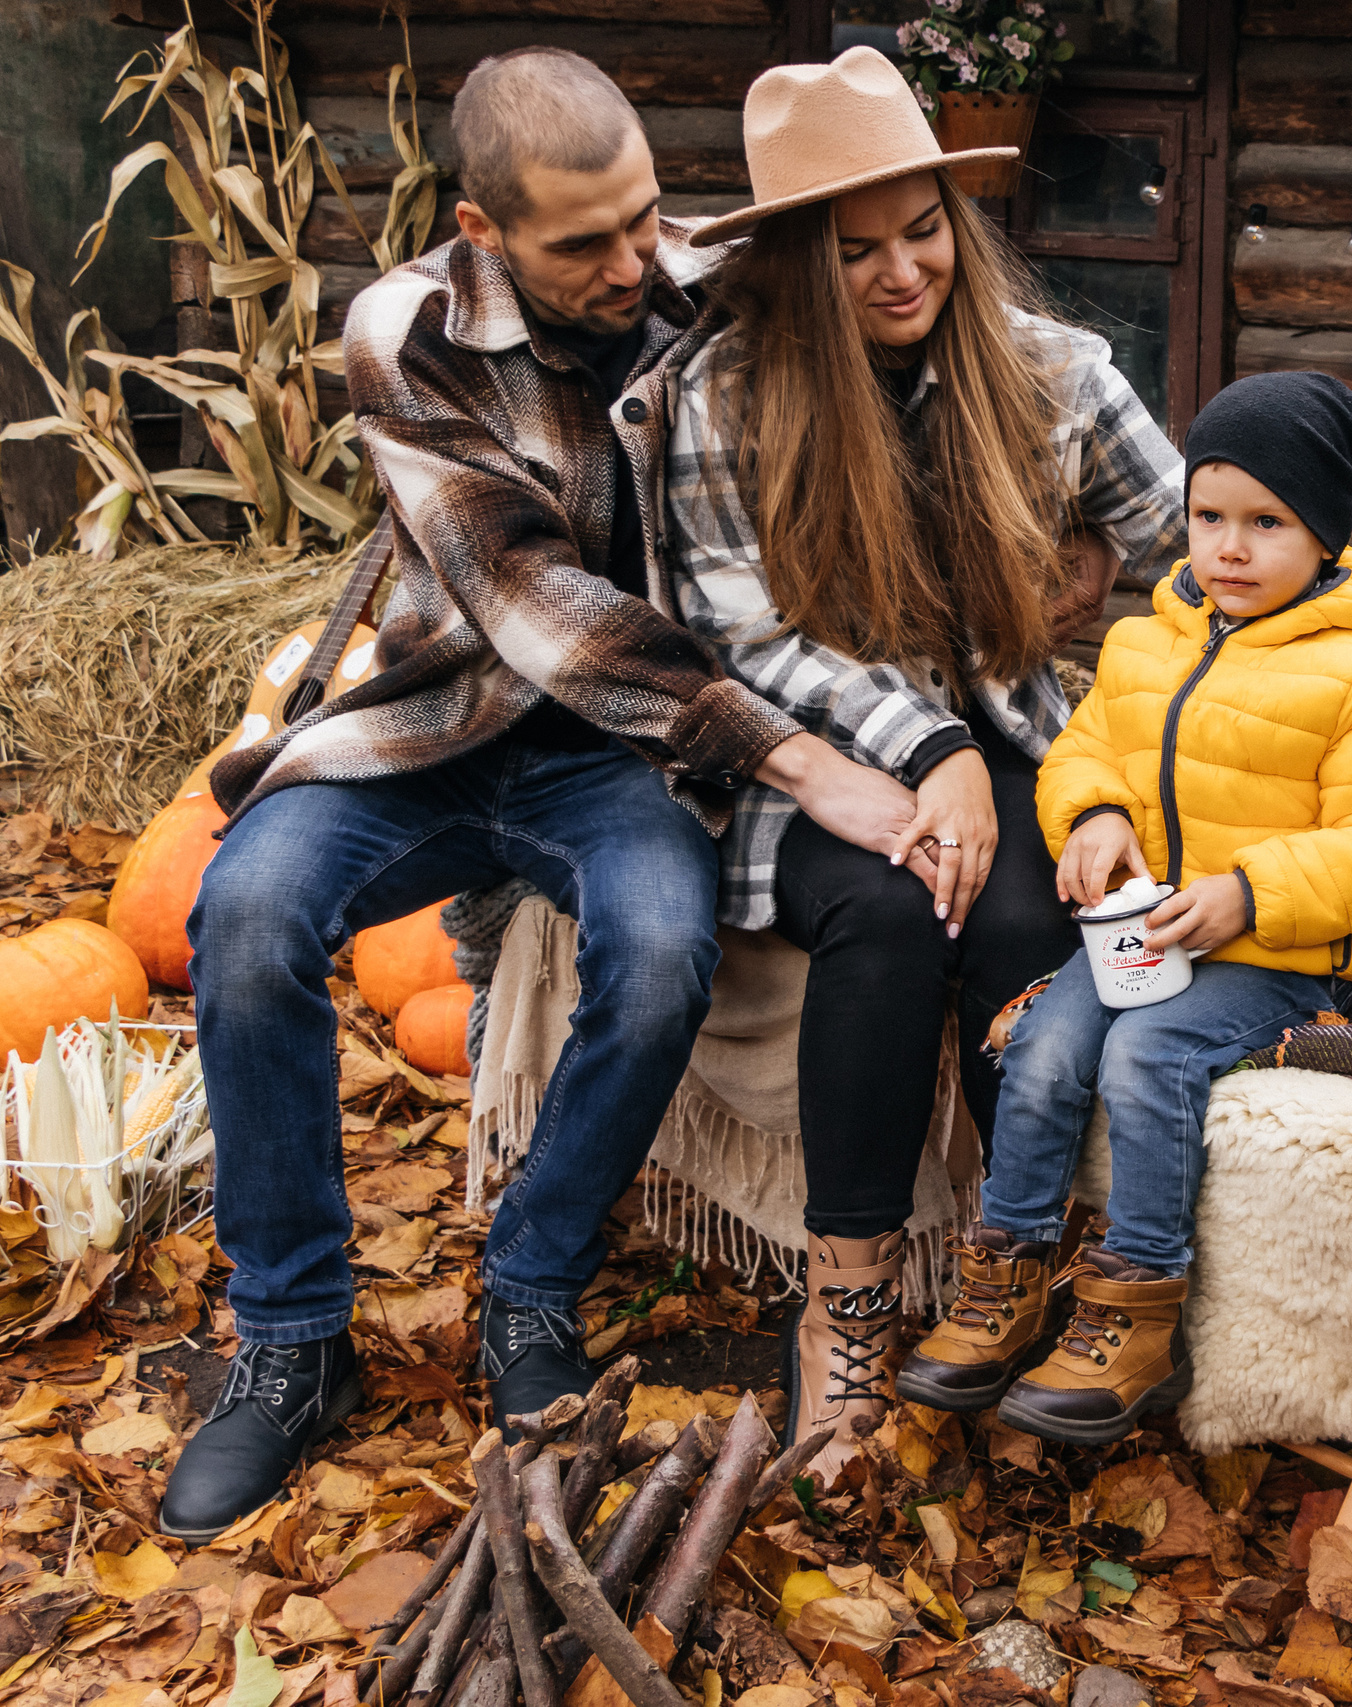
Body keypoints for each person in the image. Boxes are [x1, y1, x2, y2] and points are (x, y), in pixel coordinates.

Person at [155, 48, 930, 1542]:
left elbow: (945, 311)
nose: (633, 264)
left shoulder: (700, 278)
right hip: (438, 718)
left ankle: (530, 1283)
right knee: (241, 911)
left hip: (621, 755)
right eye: (585, 243)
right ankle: (294, 1336)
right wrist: (793, 753)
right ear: (481, 226)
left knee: (658, 949)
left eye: (645, 220)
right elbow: (535, 601)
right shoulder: (408, 330)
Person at [662, 46, 1352, 1463]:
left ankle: (1025, 1264)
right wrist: (934, 744)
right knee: (900, 917)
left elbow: (1225, 527)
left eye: (924, 233)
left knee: (1035, 918)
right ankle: (846, 1299)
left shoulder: (1049, 373)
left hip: (1025, 745)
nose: (905, 273)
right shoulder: (724, 399)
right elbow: (750, 636)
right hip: (822, 755)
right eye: (857, 252)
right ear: (792, 263)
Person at [897, 371, 1352, 1446]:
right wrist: (1093, 815)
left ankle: (1134, 1308)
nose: (1229, 548)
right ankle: (1006, 1280)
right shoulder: (1145, 645)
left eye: (1266, 523)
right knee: (1045, 1049)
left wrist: (1249, 895)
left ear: (1326, 539)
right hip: (1141, 938)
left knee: (1149, 1056)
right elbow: (1080, 755)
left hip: (1273, 956)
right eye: (1208, 518)